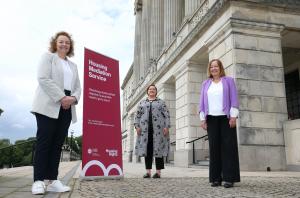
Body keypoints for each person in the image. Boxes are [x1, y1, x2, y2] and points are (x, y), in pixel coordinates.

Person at [31, 31, 81, 195]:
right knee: (44, 142)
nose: (64, 44)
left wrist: (72, 98)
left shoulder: (73, 66)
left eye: (67, 42)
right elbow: (43, 78)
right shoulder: (48, 57)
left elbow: (78, 88)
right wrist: (61, 97)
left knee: (57, 144)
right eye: (61, 42)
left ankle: (52, 180)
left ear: (70, 46)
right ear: (55, 43)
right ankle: (38, 180)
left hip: (67, 106)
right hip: (49, 103)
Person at [199, 59, 240, 188]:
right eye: (211, 67)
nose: (214, 68)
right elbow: (202, 102)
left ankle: (229, 178)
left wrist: (233, 116)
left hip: (226, 118)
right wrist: (202, 118)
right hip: (211, 118)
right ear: (209, 69)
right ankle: (215, 178)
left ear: (220, 68)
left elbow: (234, 98)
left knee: (228, 148)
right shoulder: (206, 83)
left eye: (216, 66)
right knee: (214, 148)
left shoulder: (228, 81)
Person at [134, 84, 170, 178]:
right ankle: (148, 172)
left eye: (153, 89)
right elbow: (137, 116)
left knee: (159, 150)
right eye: (150, 89)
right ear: (147, 91)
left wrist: (167, 127)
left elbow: (166, 115)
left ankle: (158, 172)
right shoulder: (142, 103)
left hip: (158, 130)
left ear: (156, 91)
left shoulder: (161, 102)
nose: (152, 90)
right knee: (148, 150)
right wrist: (137, 126)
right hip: (145, 131)